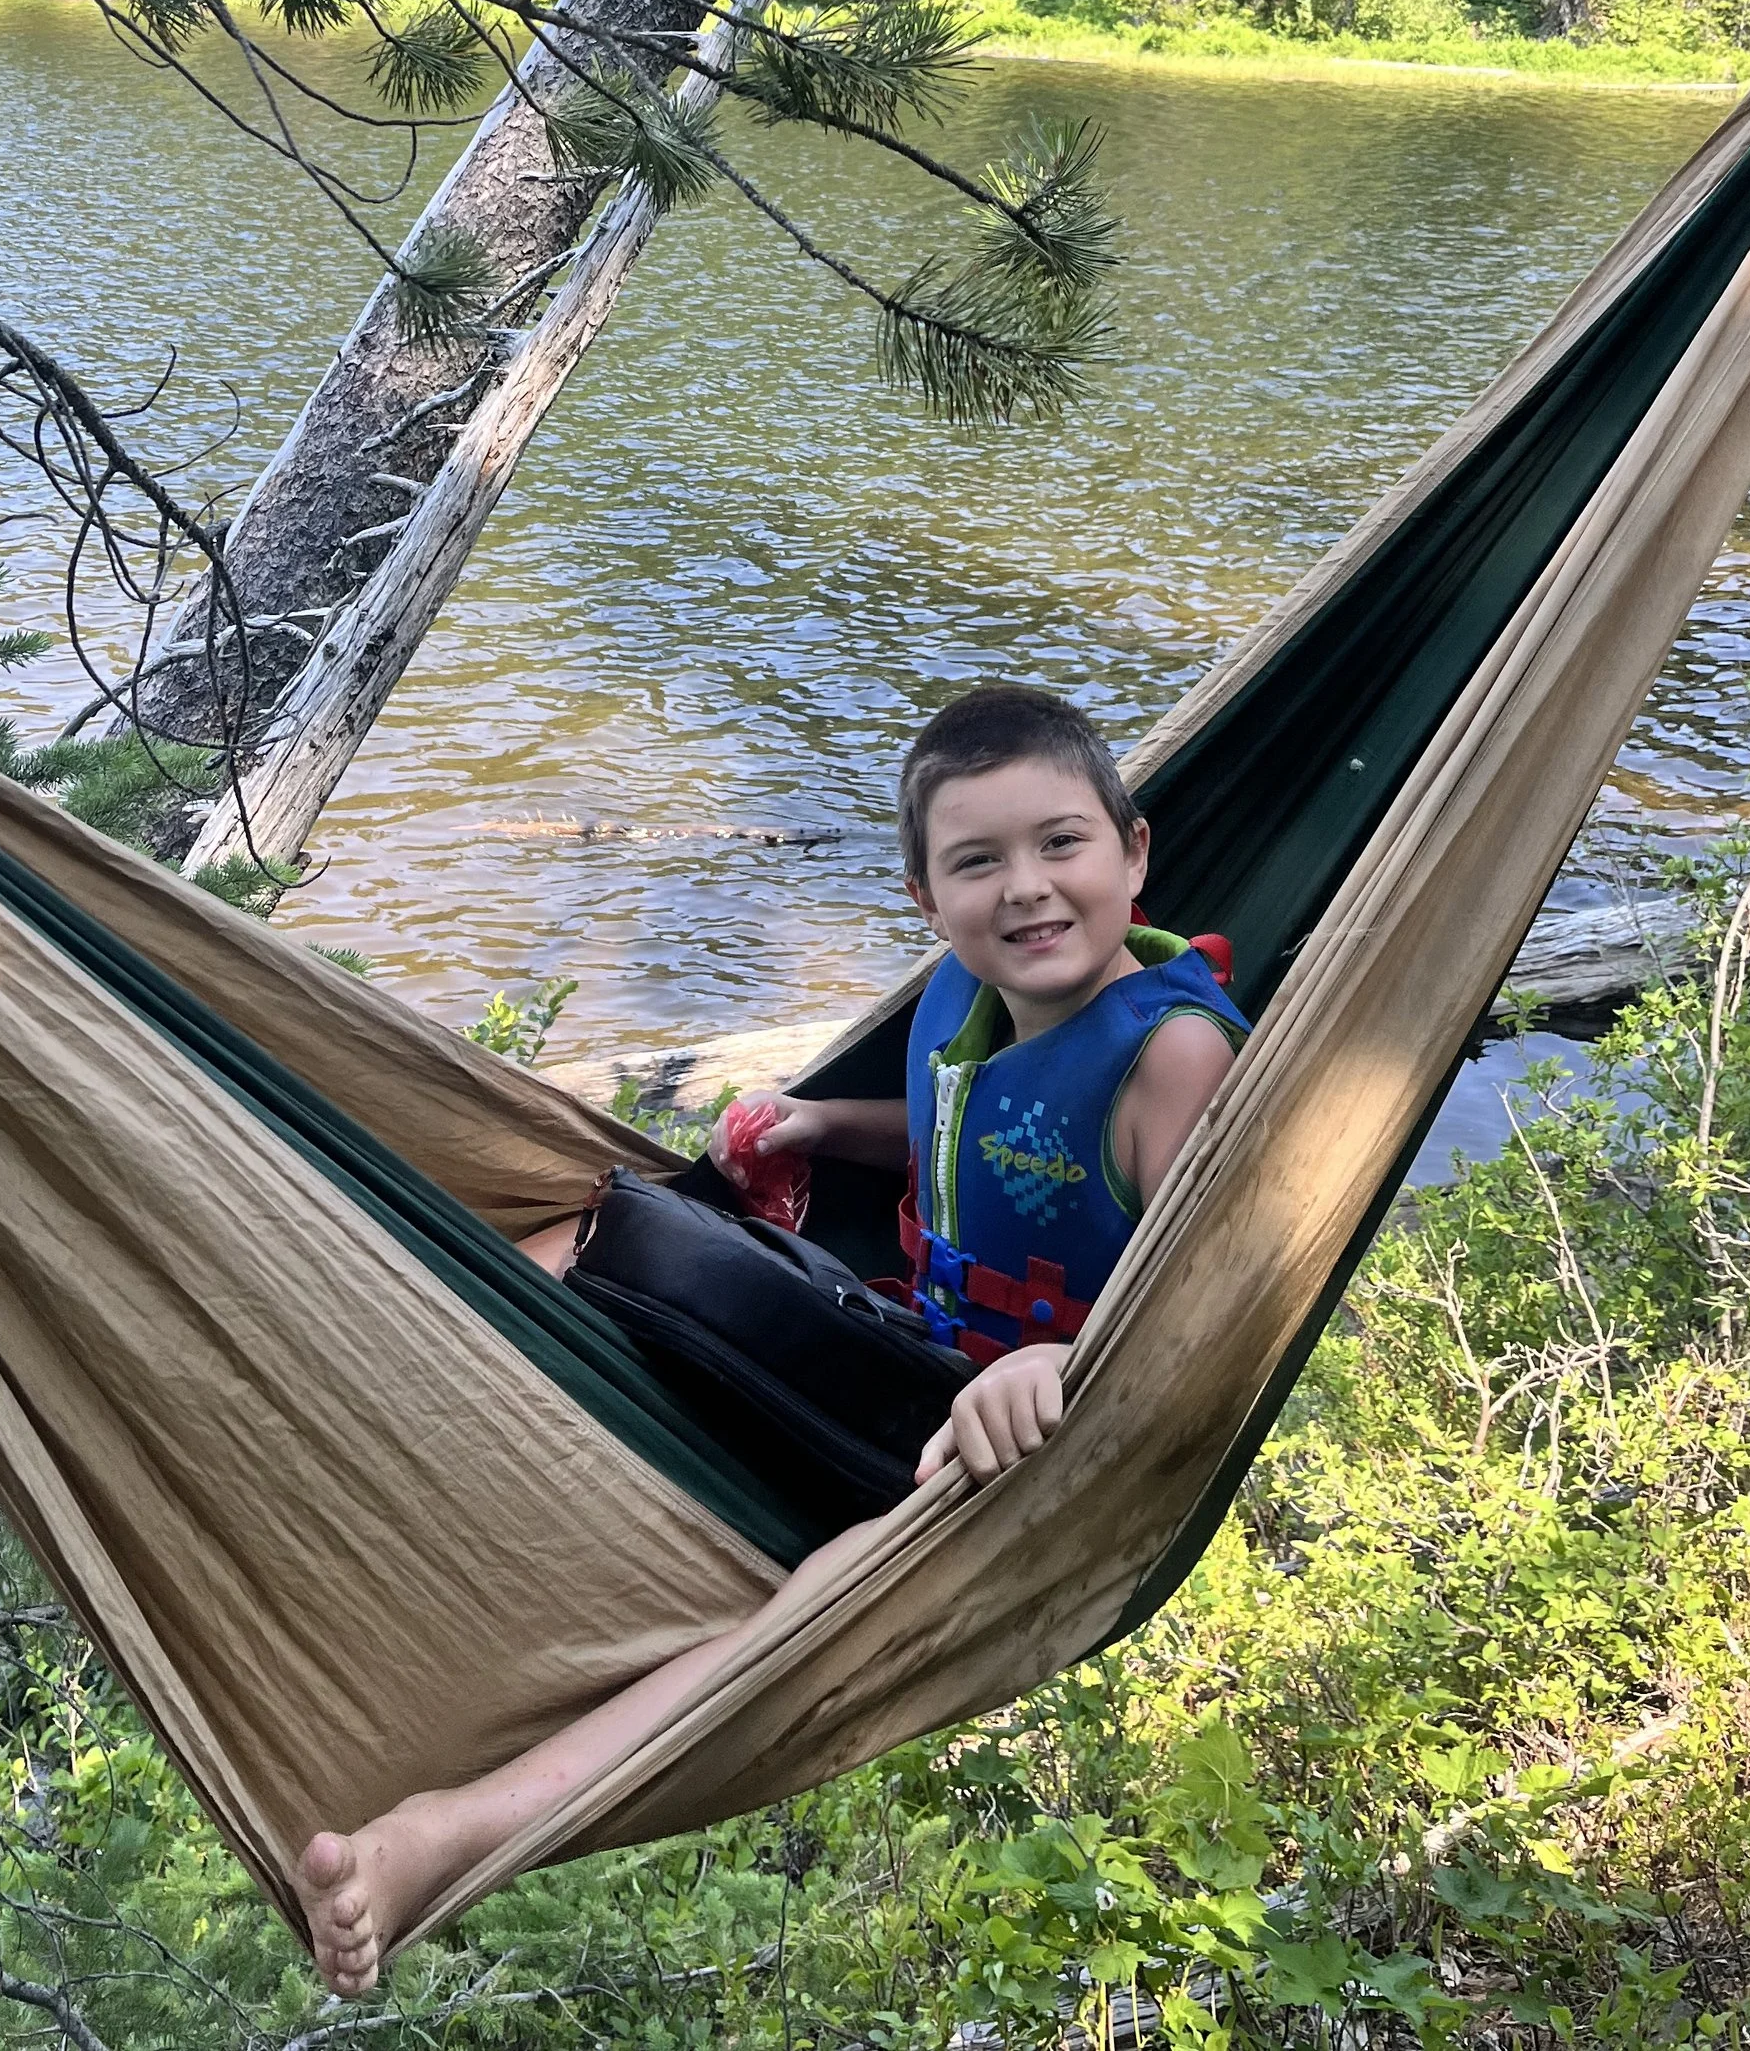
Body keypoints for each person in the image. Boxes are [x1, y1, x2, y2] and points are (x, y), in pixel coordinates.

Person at [297, 683, 1246, 1996]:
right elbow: (981, 1145)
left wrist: (1061, 1369)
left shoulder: (1173, 1059)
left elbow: (1213, 1310)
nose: (1026, 888)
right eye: (978, 862)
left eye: (1060, 844)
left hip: (1028, 1462)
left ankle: (454, 1833)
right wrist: (822, 1130)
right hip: (907, 1358)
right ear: (928, 899)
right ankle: (339, 1409)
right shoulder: (971, 1003)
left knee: (814, 1596)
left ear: (1133, 855)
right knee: (602, 1232)